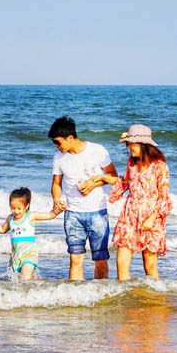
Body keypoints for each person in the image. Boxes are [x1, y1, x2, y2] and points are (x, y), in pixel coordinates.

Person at [48, 116, 118, 281]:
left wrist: (94, 183)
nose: (56, 146)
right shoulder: (58, 157)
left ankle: (100, 295)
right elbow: (56, 184)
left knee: (100, 259)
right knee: (75, 259)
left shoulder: (97, 150)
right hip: (72, 214)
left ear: (70, 138)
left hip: (97, 212)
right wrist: (57, 200)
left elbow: (114, 176)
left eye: (58, 142)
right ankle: (76, 299)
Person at [101, 124, 172, 280]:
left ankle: (153, 300)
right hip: (130, 215)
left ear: (142, 144)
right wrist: (103, 180)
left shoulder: (160, 166)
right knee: (121, 261)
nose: (129, 147)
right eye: (128, 143)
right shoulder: (132, 163)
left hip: (151, 218)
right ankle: (125, 298)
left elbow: (164, 197)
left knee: (150, 265)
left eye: (131, 143)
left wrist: (152, 218)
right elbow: (125, 183)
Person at [0, 187, 65, 280]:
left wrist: (58, 210)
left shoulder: (31, 216)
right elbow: (3, 229)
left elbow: (50, 215)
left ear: (26, 206)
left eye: (19, 208)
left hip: (29, 254)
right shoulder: (10, 218)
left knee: (25, 276)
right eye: (13, 208)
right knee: (17, 279)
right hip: (16, 256)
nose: (16, 211)